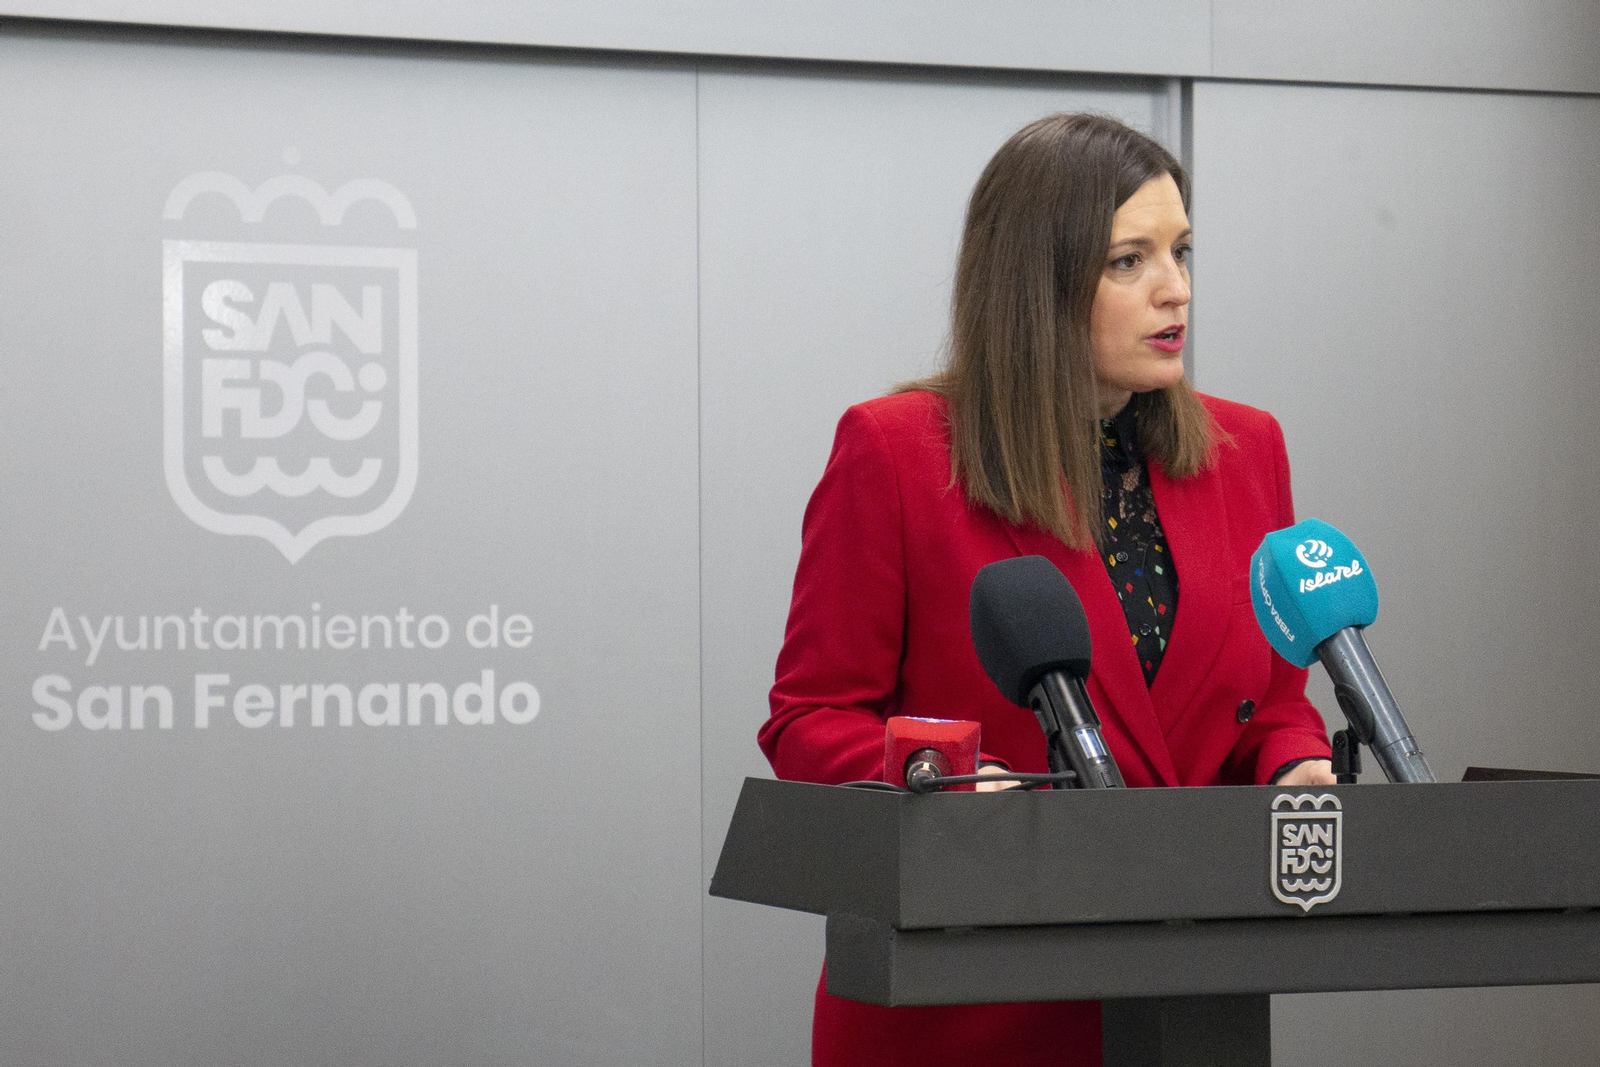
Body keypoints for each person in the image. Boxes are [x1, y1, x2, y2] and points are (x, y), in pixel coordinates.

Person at [756, 112, 1337, 1067]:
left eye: (1183, 251)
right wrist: (935, 770)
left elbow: (1271, 699)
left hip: (1181, 1004)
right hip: (969, 1010)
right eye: (1128, 261)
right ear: (1037, 279)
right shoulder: (897, 452)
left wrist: (1294, 760)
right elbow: (810, 719)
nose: (1176, 289)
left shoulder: (1247, 451)